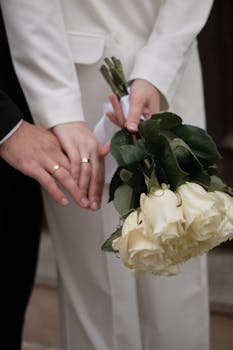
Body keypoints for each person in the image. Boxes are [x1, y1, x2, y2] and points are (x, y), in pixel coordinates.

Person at [1, 1, 213, 349]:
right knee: (99, 288)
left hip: (173, 71)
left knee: (179, 271)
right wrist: (59, 110)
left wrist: (159, 66)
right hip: (75, 83)